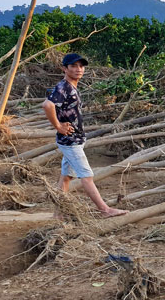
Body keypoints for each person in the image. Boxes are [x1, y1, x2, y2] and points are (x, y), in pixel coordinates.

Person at [42, 53, 128, 218]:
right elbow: (47, 105)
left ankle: (58, 214)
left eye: (81, 66)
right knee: (87, 176)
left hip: (74, 140)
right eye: (73, 66)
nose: (78, 69)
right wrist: (58, 126)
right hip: (70, 141)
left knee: (66, 177)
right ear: (64, 68)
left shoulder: (71, 86)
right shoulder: (64, 87)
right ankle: (105, 210)